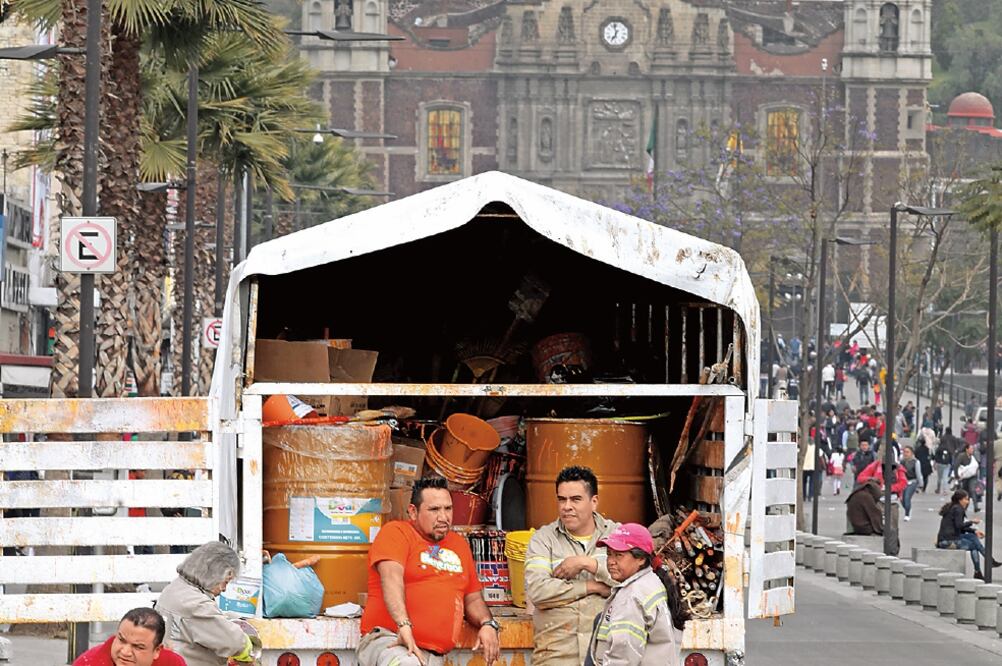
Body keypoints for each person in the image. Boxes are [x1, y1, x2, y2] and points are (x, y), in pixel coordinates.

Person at [359, 476, 500, 666]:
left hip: (433, 655)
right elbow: (391, 578)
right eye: (434, 510)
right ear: (413, 512)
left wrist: (487, 623)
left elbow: (473, 598)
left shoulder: (459, 544)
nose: (443, 517)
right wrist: (404, 625)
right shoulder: (396, 532)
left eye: (448, 508)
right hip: (391, 641)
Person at [526, 466, 618, 666]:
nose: (566, 506)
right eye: (561, 499)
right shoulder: (543, 539)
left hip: (606, 653)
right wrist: (593, 587)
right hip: (555, 654)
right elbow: (538, 591)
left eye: (575, 499)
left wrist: (588, 564)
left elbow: (630, 581)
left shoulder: (616, 535)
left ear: (594, 502)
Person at [585, 524, 683, 666]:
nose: (611, 561)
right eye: (609, 554)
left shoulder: (631, 597)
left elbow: (623, 657)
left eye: (619, 555)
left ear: (641, 559)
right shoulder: (651, 582)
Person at [155, 542, 256, 666]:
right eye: (225, 582)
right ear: (214, 575)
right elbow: (234, 643)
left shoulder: (175, 588)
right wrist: (249, 645)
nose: (224, 589)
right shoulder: (195, 604)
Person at [73, 607, 186, 666]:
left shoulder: (172, 663)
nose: (125, 652)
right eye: (121, 640)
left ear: (157, 650)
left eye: (138, 647)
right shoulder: (90, 663)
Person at [936, 490, 1002, 580]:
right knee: (974, 546)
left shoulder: (953, 507)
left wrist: (974, 531)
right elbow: (959, 525)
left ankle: (987, 563)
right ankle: (984, 566)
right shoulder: (958, 509)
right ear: (960, 500)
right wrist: (972, 522)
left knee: (973, 537)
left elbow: (959, 527)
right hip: (948, 541)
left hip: (948, 538)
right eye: (966, 499)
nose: (967, 502)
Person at [954, 442, 981, 512]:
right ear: (967, 449)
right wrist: (956, 475)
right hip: (964, 477)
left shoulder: (974, 456)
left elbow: (977, 465)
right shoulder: (961, 456)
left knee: (972, 490)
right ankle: (964, 507)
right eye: (971, 448)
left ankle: (976, 507)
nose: (972, 450)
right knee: (965, 493)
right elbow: (956, 465)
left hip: (972, 477)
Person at [899, 446, 922, 521]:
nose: (905, 454)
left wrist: (920, 484)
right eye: (904, 452)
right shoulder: (901, 461)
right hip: (903, 482)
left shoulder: (916, 462)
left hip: (912, 481)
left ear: (912, 453)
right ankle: (908, 508)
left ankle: (907, 514)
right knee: (902, 499)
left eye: (907, 452)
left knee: (907, 497)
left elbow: (918, 474)